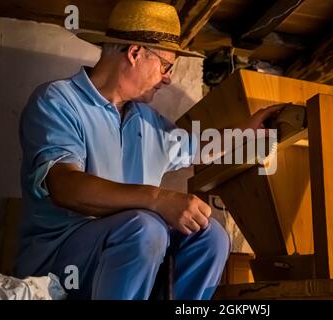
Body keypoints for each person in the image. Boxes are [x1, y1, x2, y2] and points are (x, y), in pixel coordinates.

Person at [15, 0, 280, 300]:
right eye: (166, 66)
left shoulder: (148, 122)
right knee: (146, 227)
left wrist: (248, 131)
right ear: (135, 53)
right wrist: (158, 199)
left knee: (211, 236)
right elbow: (65, 187)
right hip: (59, 261)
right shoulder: (58, 101)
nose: (168, 77)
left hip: (129, 246)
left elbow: (198, 148)